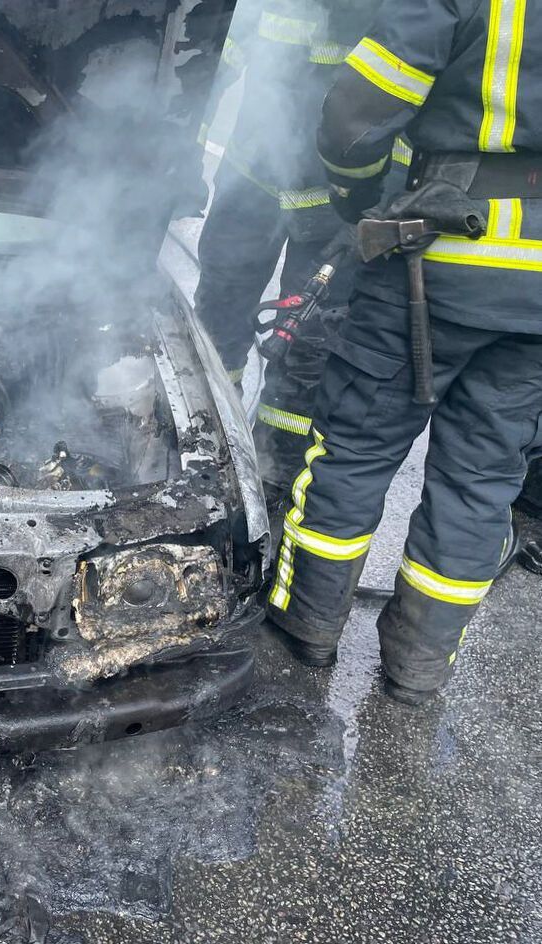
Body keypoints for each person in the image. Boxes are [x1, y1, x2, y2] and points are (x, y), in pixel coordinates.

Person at [266, 0, 542, 703]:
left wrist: (354, 198)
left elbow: (358, 112)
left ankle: (308, 630)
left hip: (436, 260)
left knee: (354, 448)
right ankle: (416, 671)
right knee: (483, 476)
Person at [194, 0, 393, 491]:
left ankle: (273, 477)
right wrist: (176, 152)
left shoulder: (399, 13)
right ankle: (206, 443)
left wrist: (379, 207)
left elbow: (407, 113)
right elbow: (210, 60)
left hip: (341, 207)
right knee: (217, 318)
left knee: (308, 349)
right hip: (252, 184)